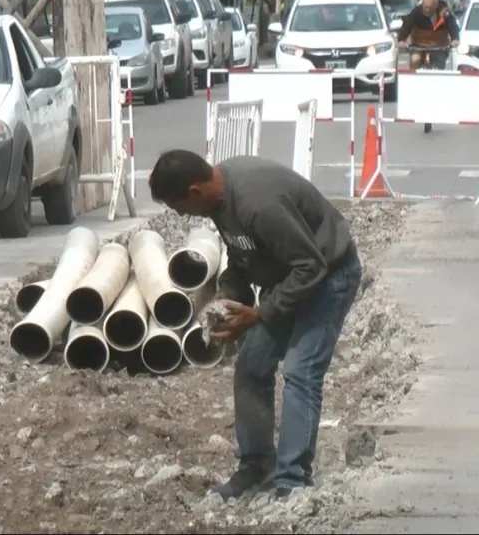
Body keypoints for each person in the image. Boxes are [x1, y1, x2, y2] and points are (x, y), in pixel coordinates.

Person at [147, 150, 363, 499]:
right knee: (251, 365)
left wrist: (260, 314)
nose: (184, 216)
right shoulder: (220, 199)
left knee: (301, 370)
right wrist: (226, 294)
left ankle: (292, 481)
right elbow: (242, 255)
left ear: (194, 192)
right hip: (290, 278)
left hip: (329, 276)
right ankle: (257, 464)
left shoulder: (258, 204)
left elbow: (311, 266)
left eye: (180, 208)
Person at [397, 0, 460, 69]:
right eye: (425, 7)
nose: (427, 10)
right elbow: (407, 25)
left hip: (439, 46)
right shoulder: (417, 12)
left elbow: (453, 25)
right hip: (419, 46)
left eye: (430, 8)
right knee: (415, 59)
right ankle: (412, 78)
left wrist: (455, 38)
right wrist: (402, 40)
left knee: (439, 62)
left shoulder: (444, 12)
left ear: (436, 6)